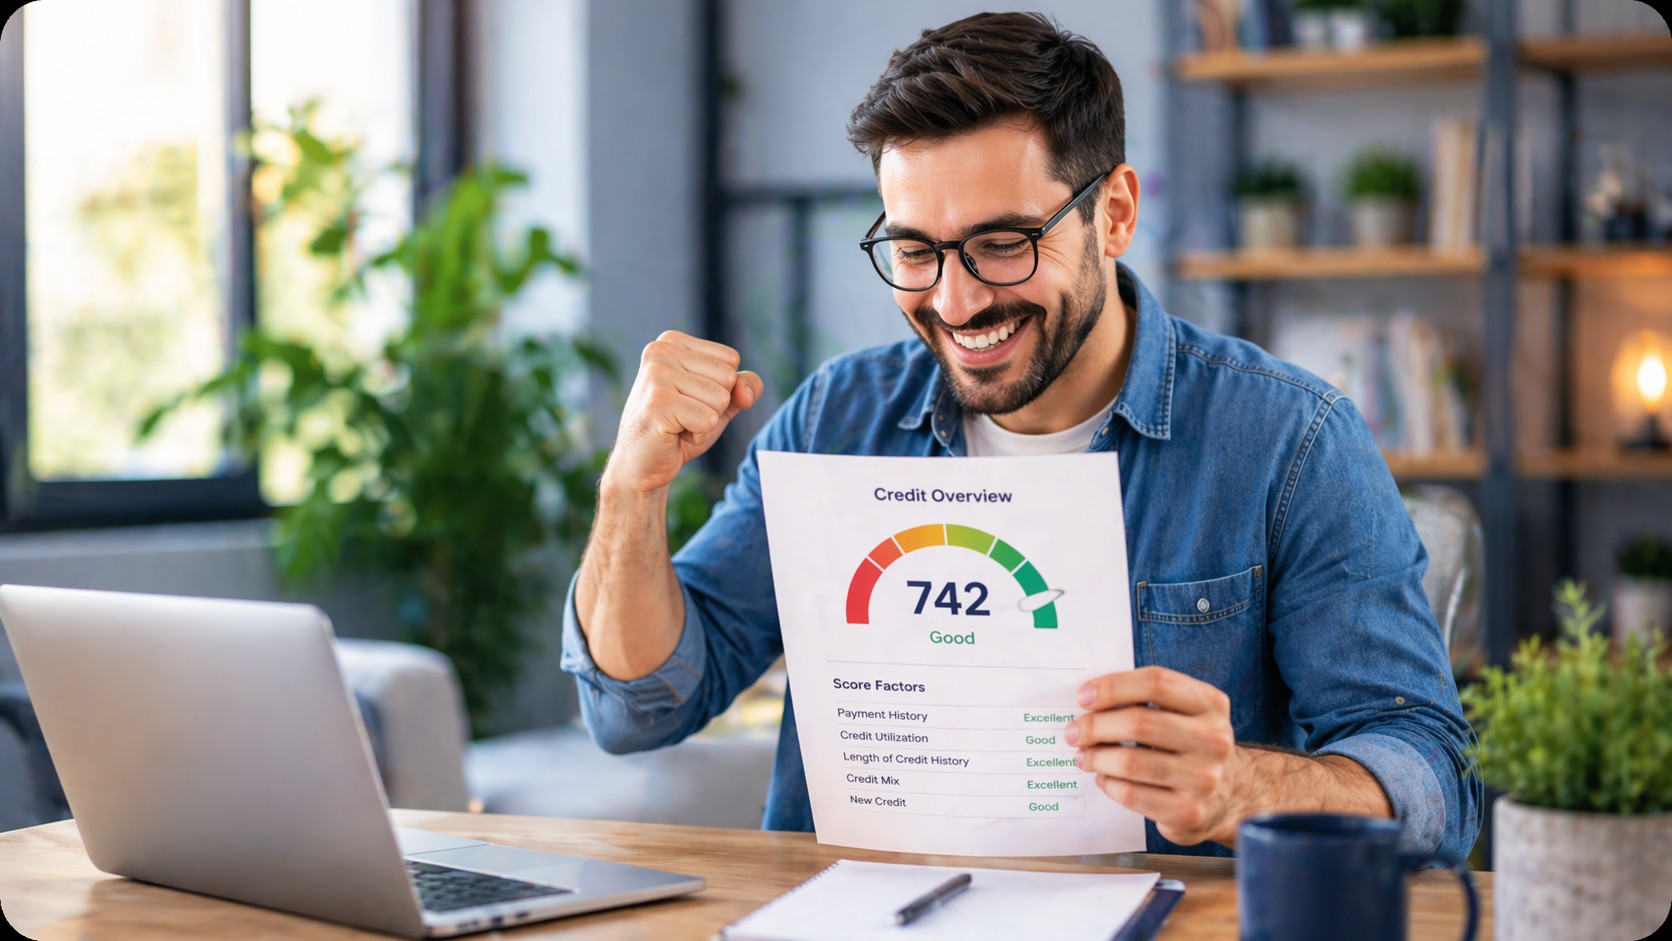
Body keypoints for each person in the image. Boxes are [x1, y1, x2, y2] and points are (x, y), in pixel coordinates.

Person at [561, 11, 1480, 862]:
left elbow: (1431, 773)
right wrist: (628, 495)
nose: (956, 302)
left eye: (1004, 242)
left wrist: (1244, 783)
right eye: (915, 250)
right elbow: (644, 707)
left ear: (1113, 213)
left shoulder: (1289, 440)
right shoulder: (836, 423)